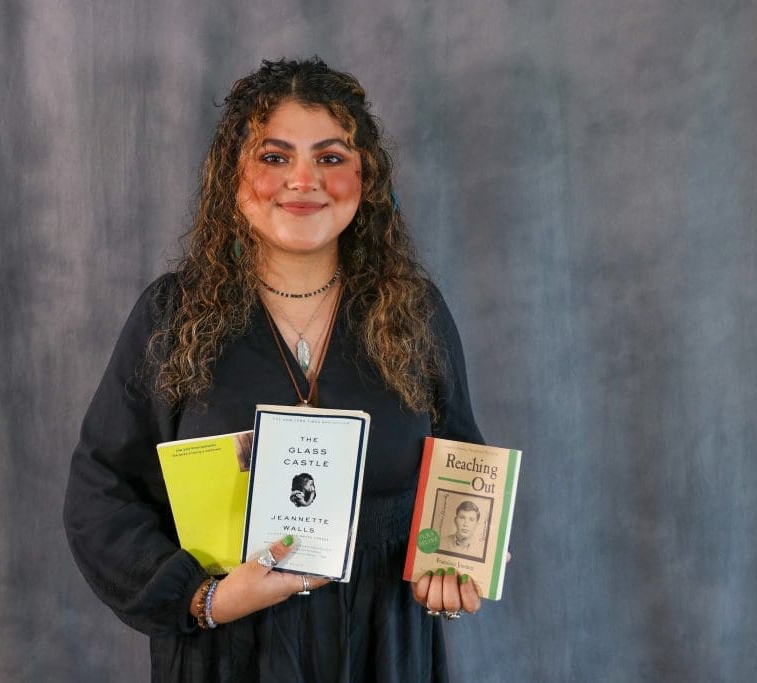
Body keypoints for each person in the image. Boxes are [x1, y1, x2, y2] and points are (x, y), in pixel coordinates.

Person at [63, 57, 486, 682]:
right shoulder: (172, 314)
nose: (304, 180)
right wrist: (205, 599)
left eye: (332, 157)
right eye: (275, 157)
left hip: (382, 646)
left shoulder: (414, 312)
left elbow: (462, 461)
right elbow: (102, 492)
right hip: (230, 650)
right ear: (232, 180)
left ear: (366, 178)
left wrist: (453, 567)